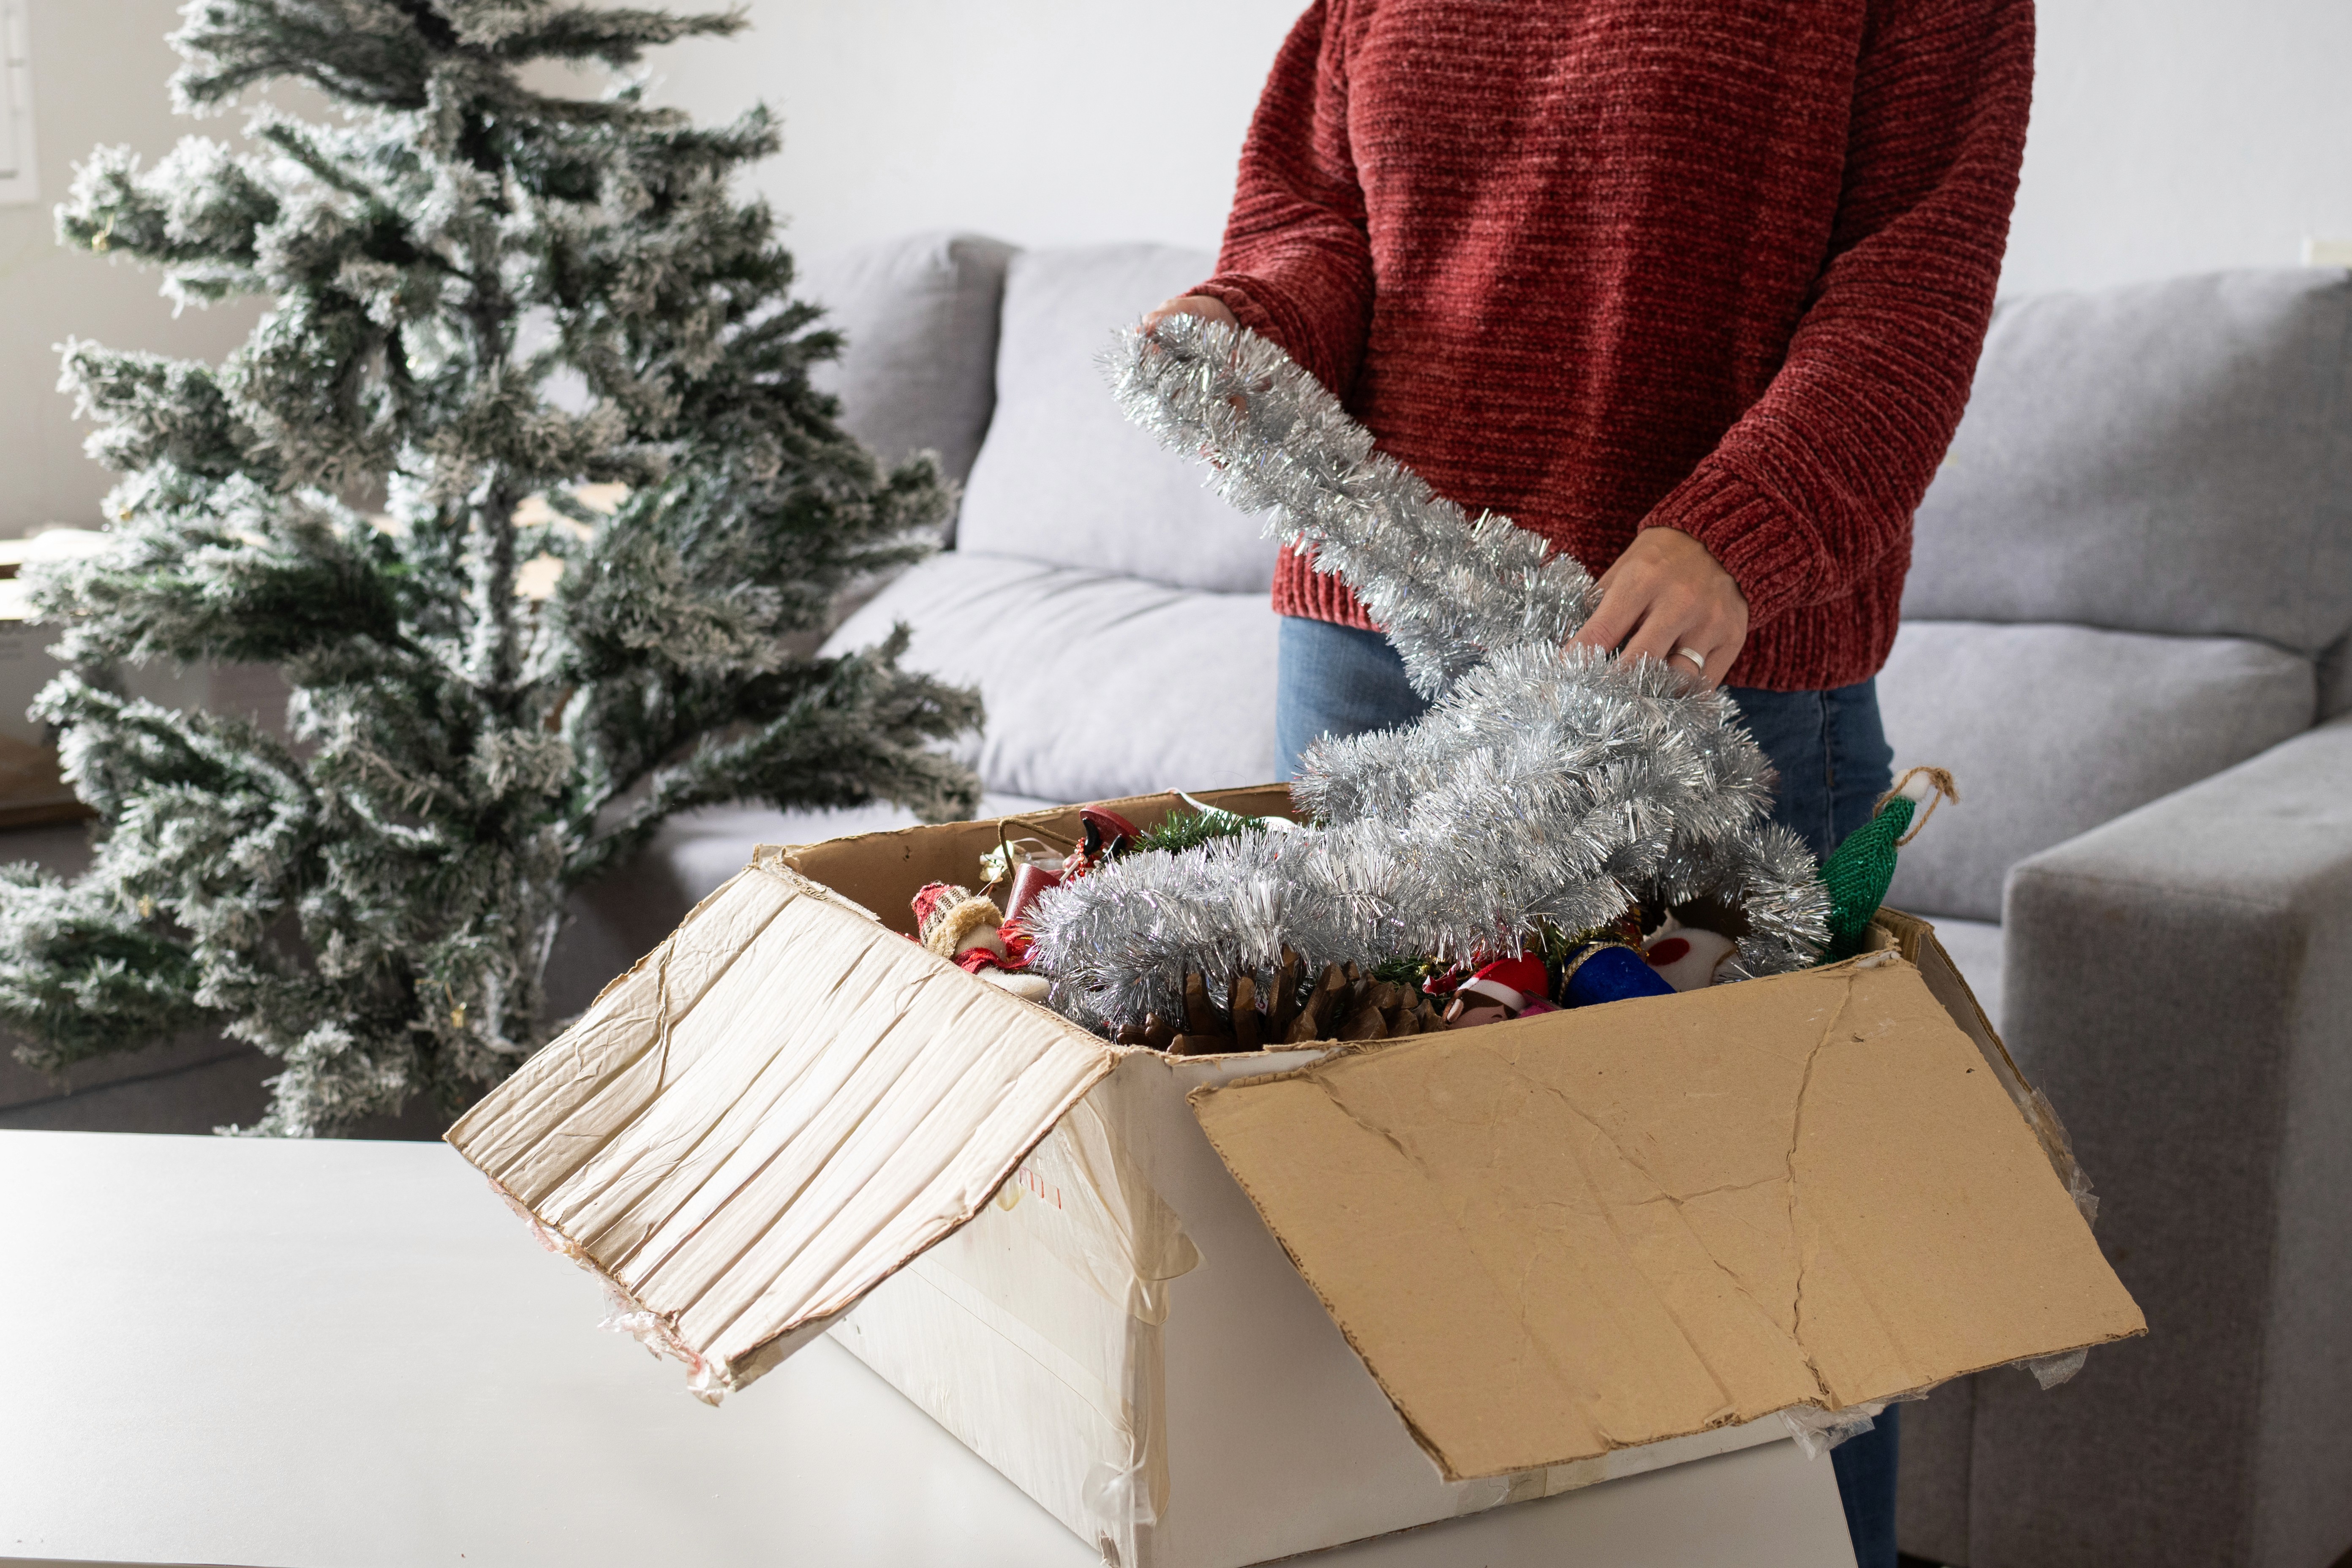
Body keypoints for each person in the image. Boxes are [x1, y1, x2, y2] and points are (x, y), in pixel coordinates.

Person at [1141, 3, 2034, 1562]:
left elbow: (1916, 284)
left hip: (1709, 665)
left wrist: (1738, 524)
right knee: (1378, 1233)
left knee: (1771, 1279)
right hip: (1369, 650)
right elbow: (1317, 213)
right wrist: (1245, 326)